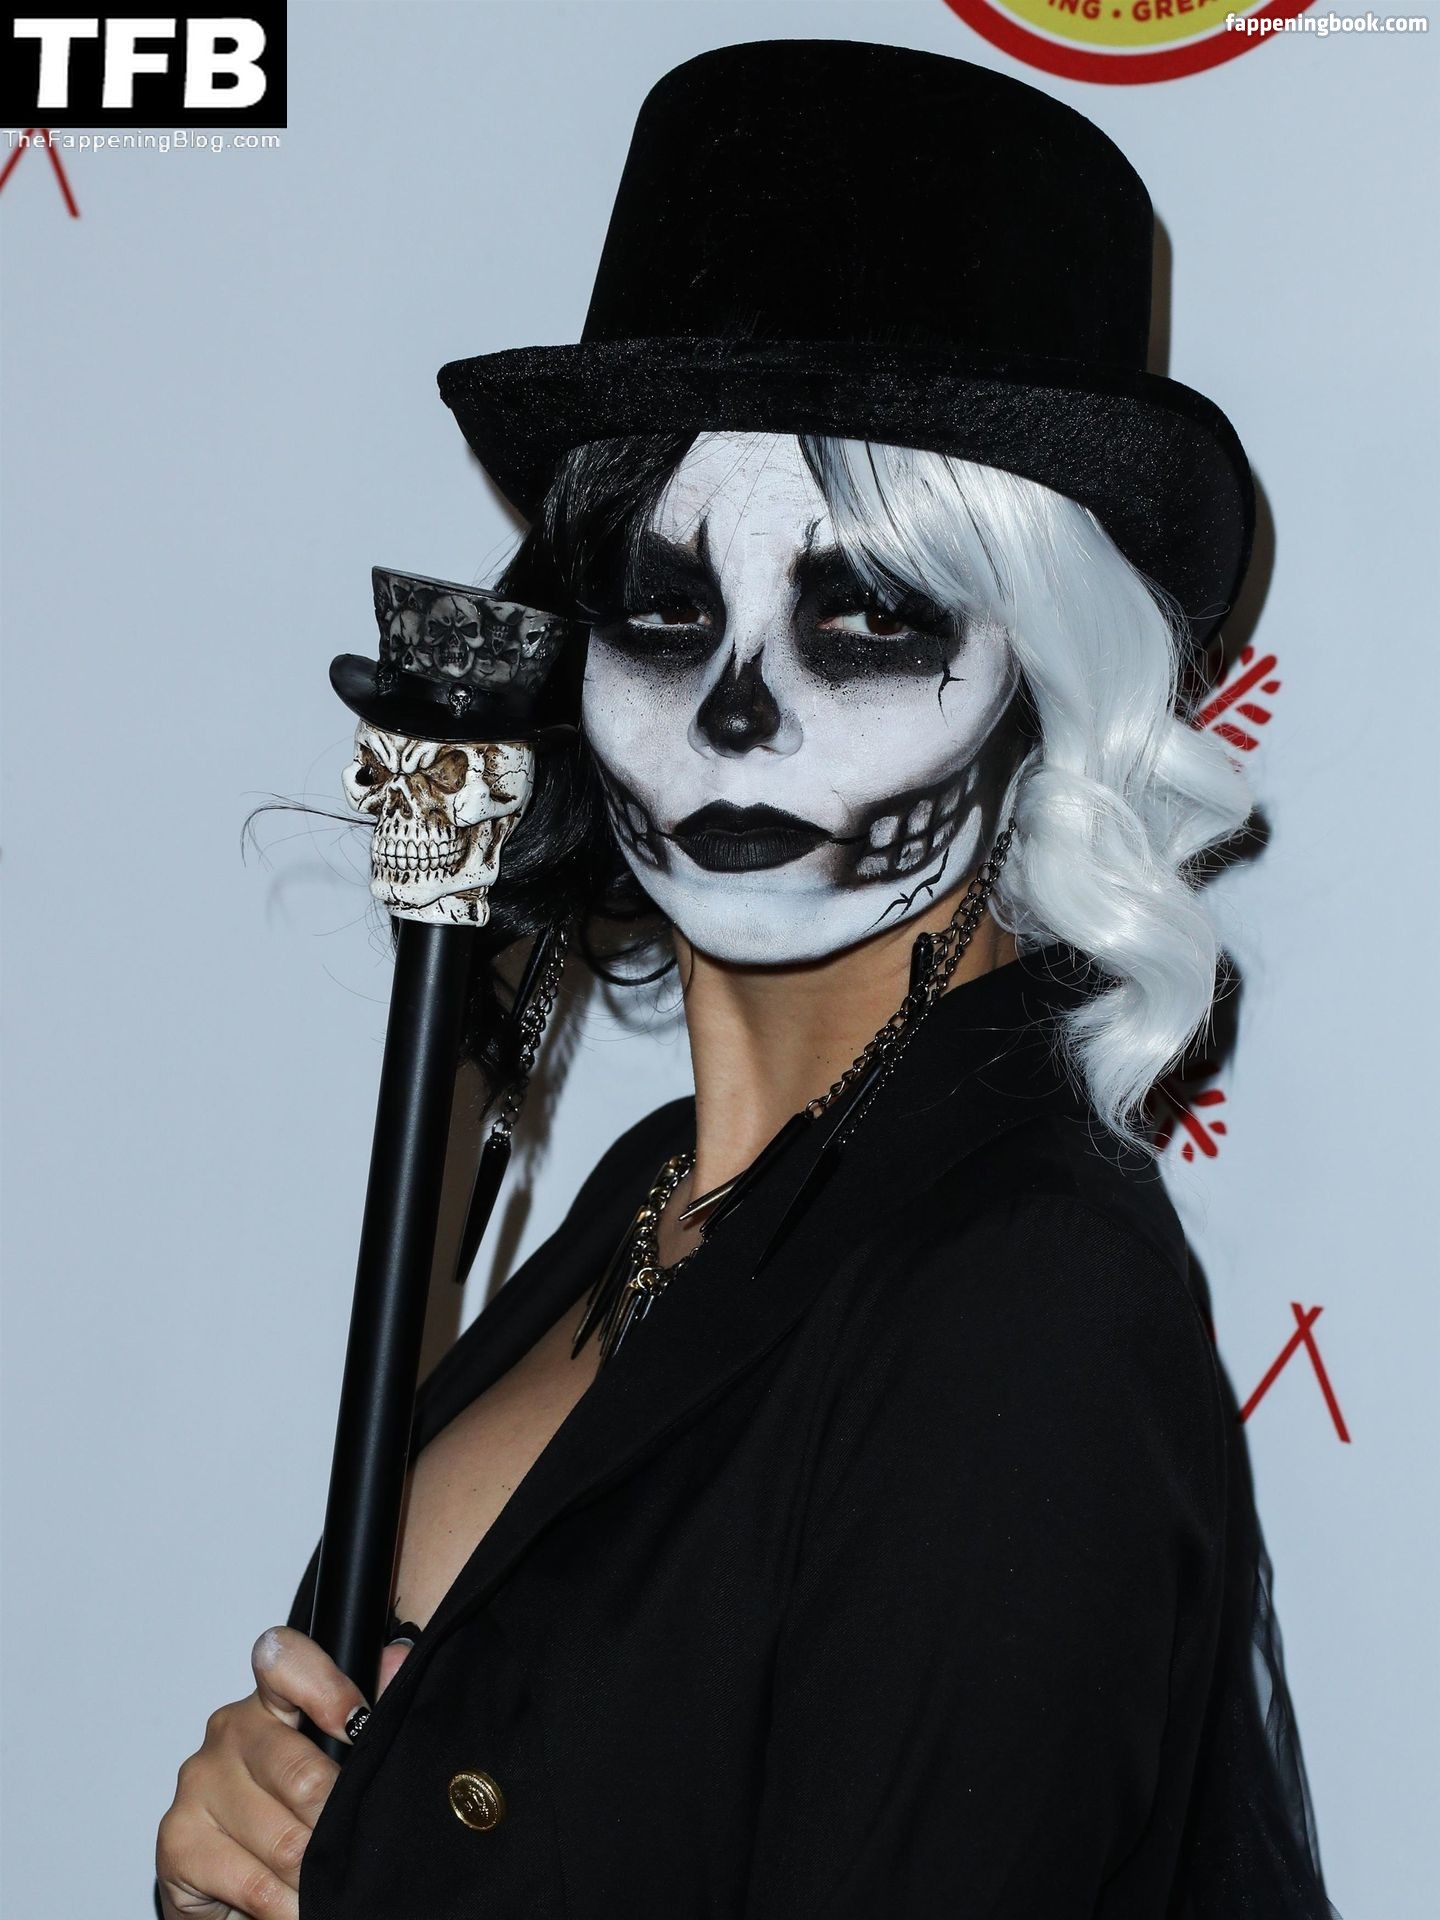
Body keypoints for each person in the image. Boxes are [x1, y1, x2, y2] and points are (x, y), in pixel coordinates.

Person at [155, 41, 1340, 1920]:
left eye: (863, 615)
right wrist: (261, 1848)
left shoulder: (1024, 1301)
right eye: (666, 605)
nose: (732, 714)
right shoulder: (648, 1202)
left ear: (1046, 672)